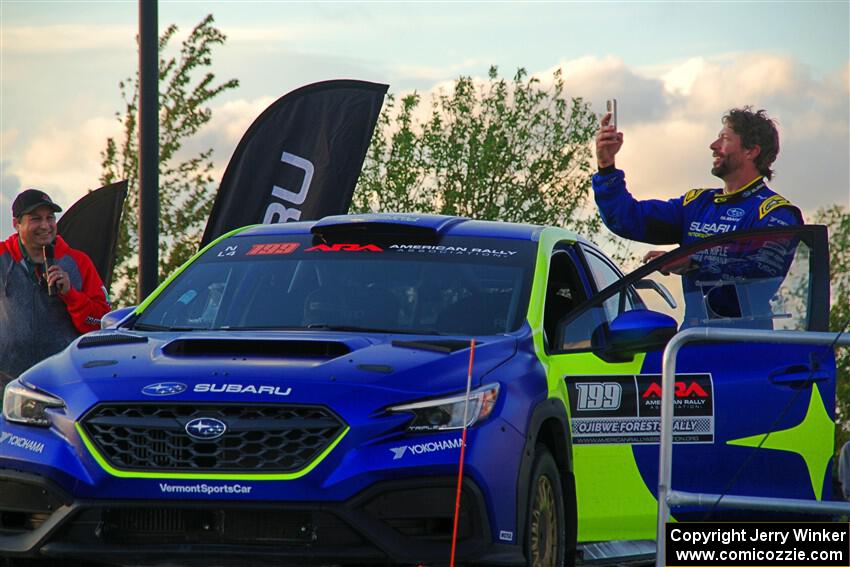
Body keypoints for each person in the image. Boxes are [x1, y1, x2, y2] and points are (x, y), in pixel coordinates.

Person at [592, 107, 803, 327]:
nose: (713, 146)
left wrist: (694, 261)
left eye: (724, 139)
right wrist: (606, 167)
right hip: (693, 341)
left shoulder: (775, 213)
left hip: (747, 344)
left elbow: (761, 278)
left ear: (751, 151)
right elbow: (627, 219)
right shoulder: (696, 204)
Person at [0, 189, 111, 379]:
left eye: (50, 218)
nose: (45, 225)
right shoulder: (2, 257)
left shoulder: (78, 262)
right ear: (16, 224)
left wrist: (71, 295)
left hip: (63, 378)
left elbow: (102, 323)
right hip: (7, 380)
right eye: (35, 219)